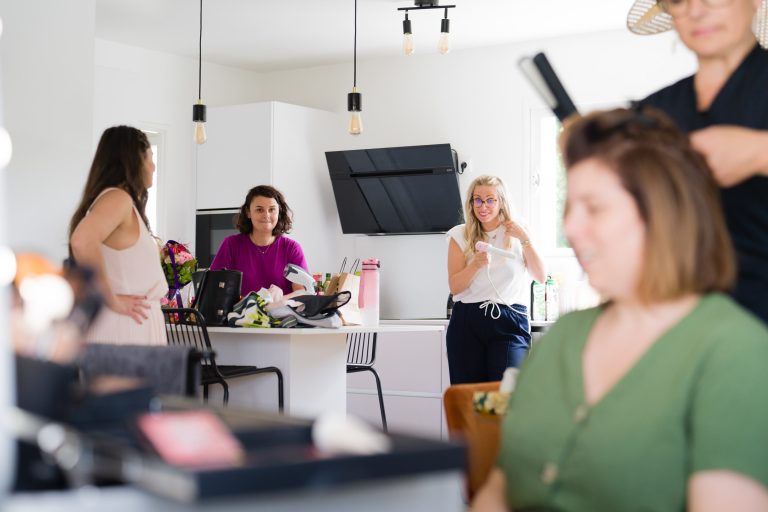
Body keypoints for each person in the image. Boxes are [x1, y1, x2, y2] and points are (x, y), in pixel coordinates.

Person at [471, 107, 768, 512]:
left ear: (662, 214)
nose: (571, 227)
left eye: (594, 207)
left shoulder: (734, 351)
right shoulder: (562, 338)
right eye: (570, 207)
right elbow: (497, 493)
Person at [628, 0, 768, 323]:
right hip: (682, 325)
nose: (695, 10)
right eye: (679, 0)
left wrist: (760, 152)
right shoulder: (655, 112)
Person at [69, 126, 167, 346]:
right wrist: (110, 298)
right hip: (126, 327)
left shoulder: (121, 201)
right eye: (149, 158)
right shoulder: (118, 198)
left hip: (133, 324)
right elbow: (81, 240)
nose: (153, 166)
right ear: (132, 161)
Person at [446, 175, 546, 384]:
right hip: (468, 321)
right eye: (478, 200)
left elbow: (541, 276)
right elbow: (455, 287)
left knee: (503, 395)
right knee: (470, 399)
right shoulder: (459, 235)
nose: (483, 206)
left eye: (490, 199)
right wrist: (475, 265)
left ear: (501, 202)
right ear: (471, 203)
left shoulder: (519, 231)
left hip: (510, 319)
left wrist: (525, 239)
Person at [210, 185, 308, 296]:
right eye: (259, 210)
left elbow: (302, 293)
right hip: (241, 313)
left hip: (283, 313)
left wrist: (274, 303)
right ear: (248, 212)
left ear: (279, 212)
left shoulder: (292, 248)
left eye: (271, 209)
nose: (266, 215)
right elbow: (214, 289)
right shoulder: (231, 245)